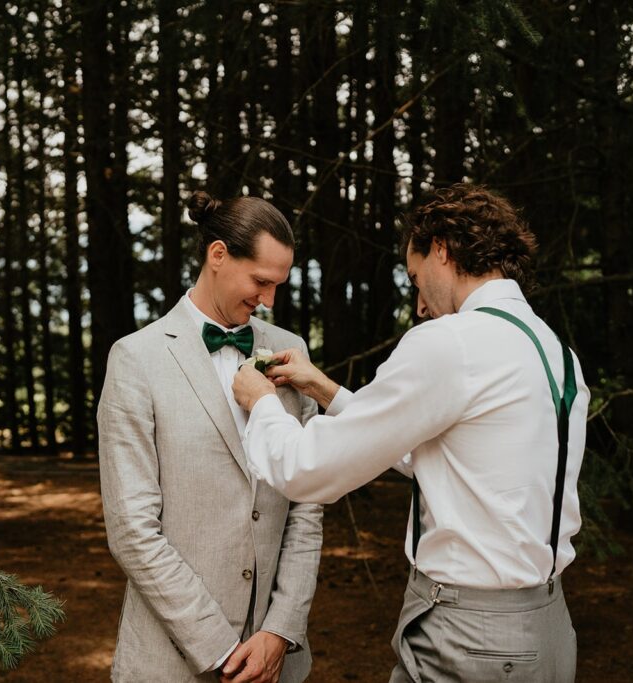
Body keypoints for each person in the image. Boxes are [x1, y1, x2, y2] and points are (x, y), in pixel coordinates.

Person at [232, 184, 589, 682]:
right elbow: (449, 458)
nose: (420, 305)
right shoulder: (555, 353)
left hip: (470, 636)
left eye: (416, 278)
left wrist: (263, 404)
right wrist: (326, 390)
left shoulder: (451, 343)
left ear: (441, 248)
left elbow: (308, 471)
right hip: (546, 627)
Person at [98, 190, 323, 683]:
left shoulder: (290, 352)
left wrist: (280, 631)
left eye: (278, 285)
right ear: (217, 255)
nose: (269, 300)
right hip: (171, 660)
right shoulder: (136, 359)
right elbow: (133, 531)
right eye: (261, 281)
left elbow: (306, 506)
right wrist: (222, 647)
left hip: (276, 662)